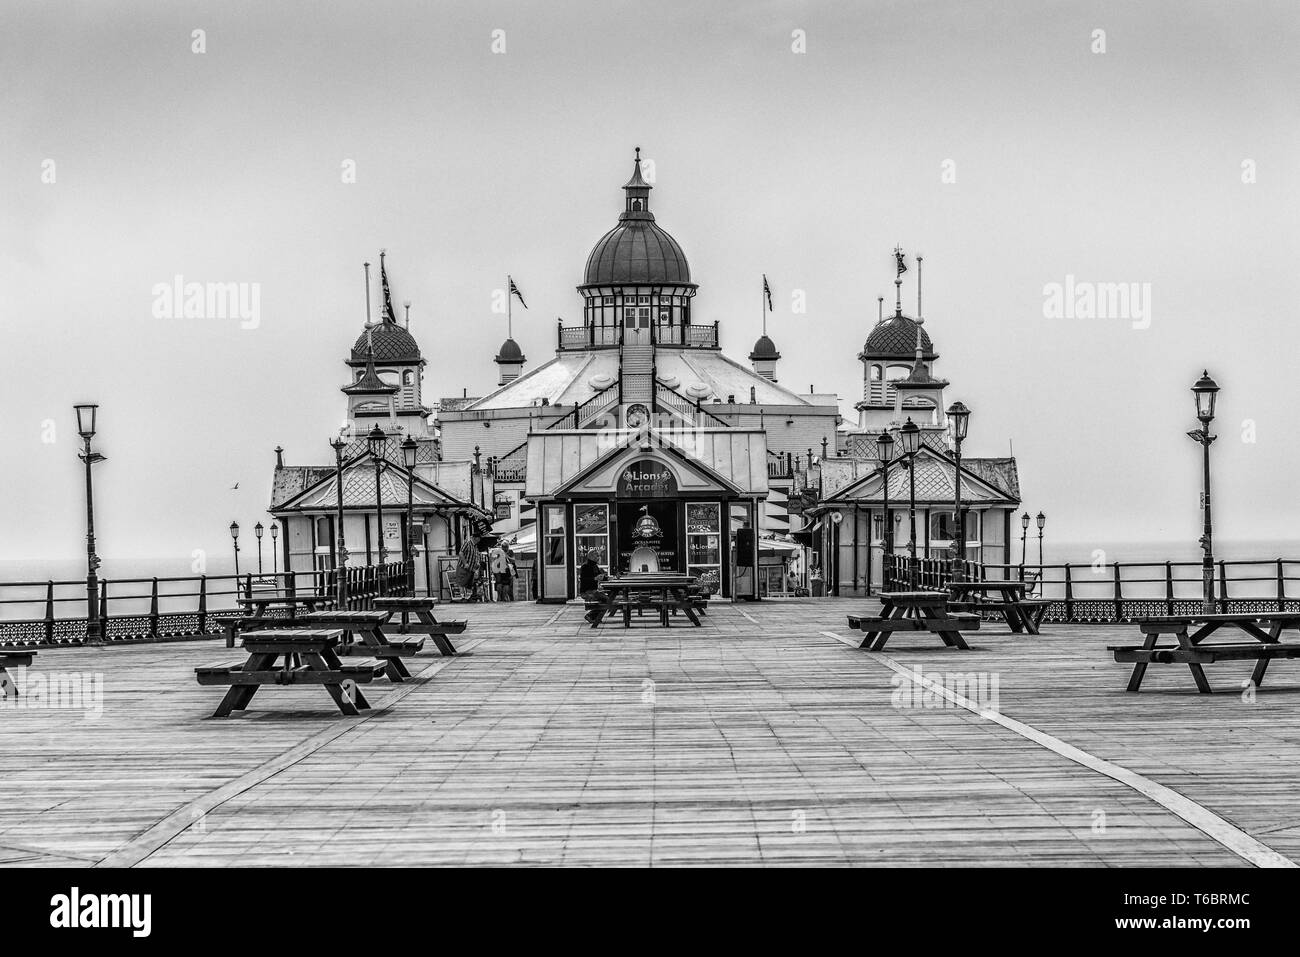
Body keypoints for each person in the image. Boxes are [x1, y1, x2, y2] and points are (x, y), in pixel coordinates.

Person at [579, 549, 607, 623]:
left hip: (593, 590)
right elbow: (584, 580)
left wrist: (606, 577)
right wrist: (595, 578)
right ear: (591, 556)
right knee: (607, 599)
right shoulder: (585, 566)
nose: (598, 557)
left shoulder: (595, 566)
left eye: (598, 555)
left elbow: (600, 576)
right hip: (587, 591)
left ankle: (595, 616)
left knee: (607, 598)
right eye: (596, 555)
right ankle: (591, 615)